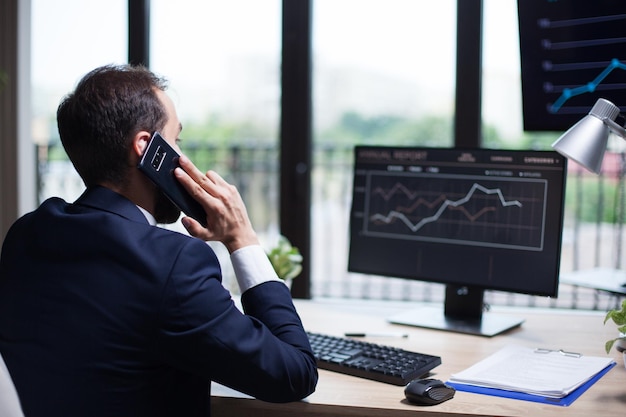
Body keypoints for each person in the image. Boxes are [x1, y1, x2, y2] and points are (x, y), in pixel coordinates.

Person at [0, 64, 318, 417]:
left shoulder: (27, 234)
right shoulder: (173, 262)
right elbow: (295, 374)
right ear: (147, 148)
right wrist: (242, 238)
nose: (182, 156)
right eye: (176, 141)